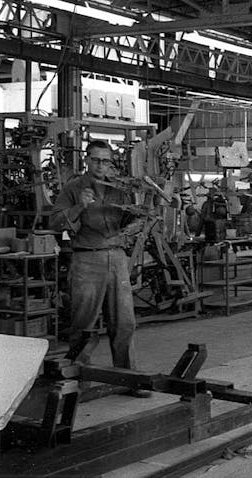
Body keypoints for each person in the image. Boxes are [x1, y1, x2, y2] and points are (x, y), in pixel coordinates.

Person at [51, 140, 149, 397]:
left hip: (117, 257)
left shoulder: (119, 189)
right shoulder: (73, 188)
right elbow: (55, 223)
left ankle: (128, 379)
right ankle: (79, 380)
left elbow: (129, 219)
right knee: (83, 323)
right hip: (86, 259)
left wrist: (143, 214)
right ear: (87, 160)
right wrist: (80, 206)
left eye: (106, 161)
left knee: (125, 322)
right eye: (96, 160)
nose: (101, 165)